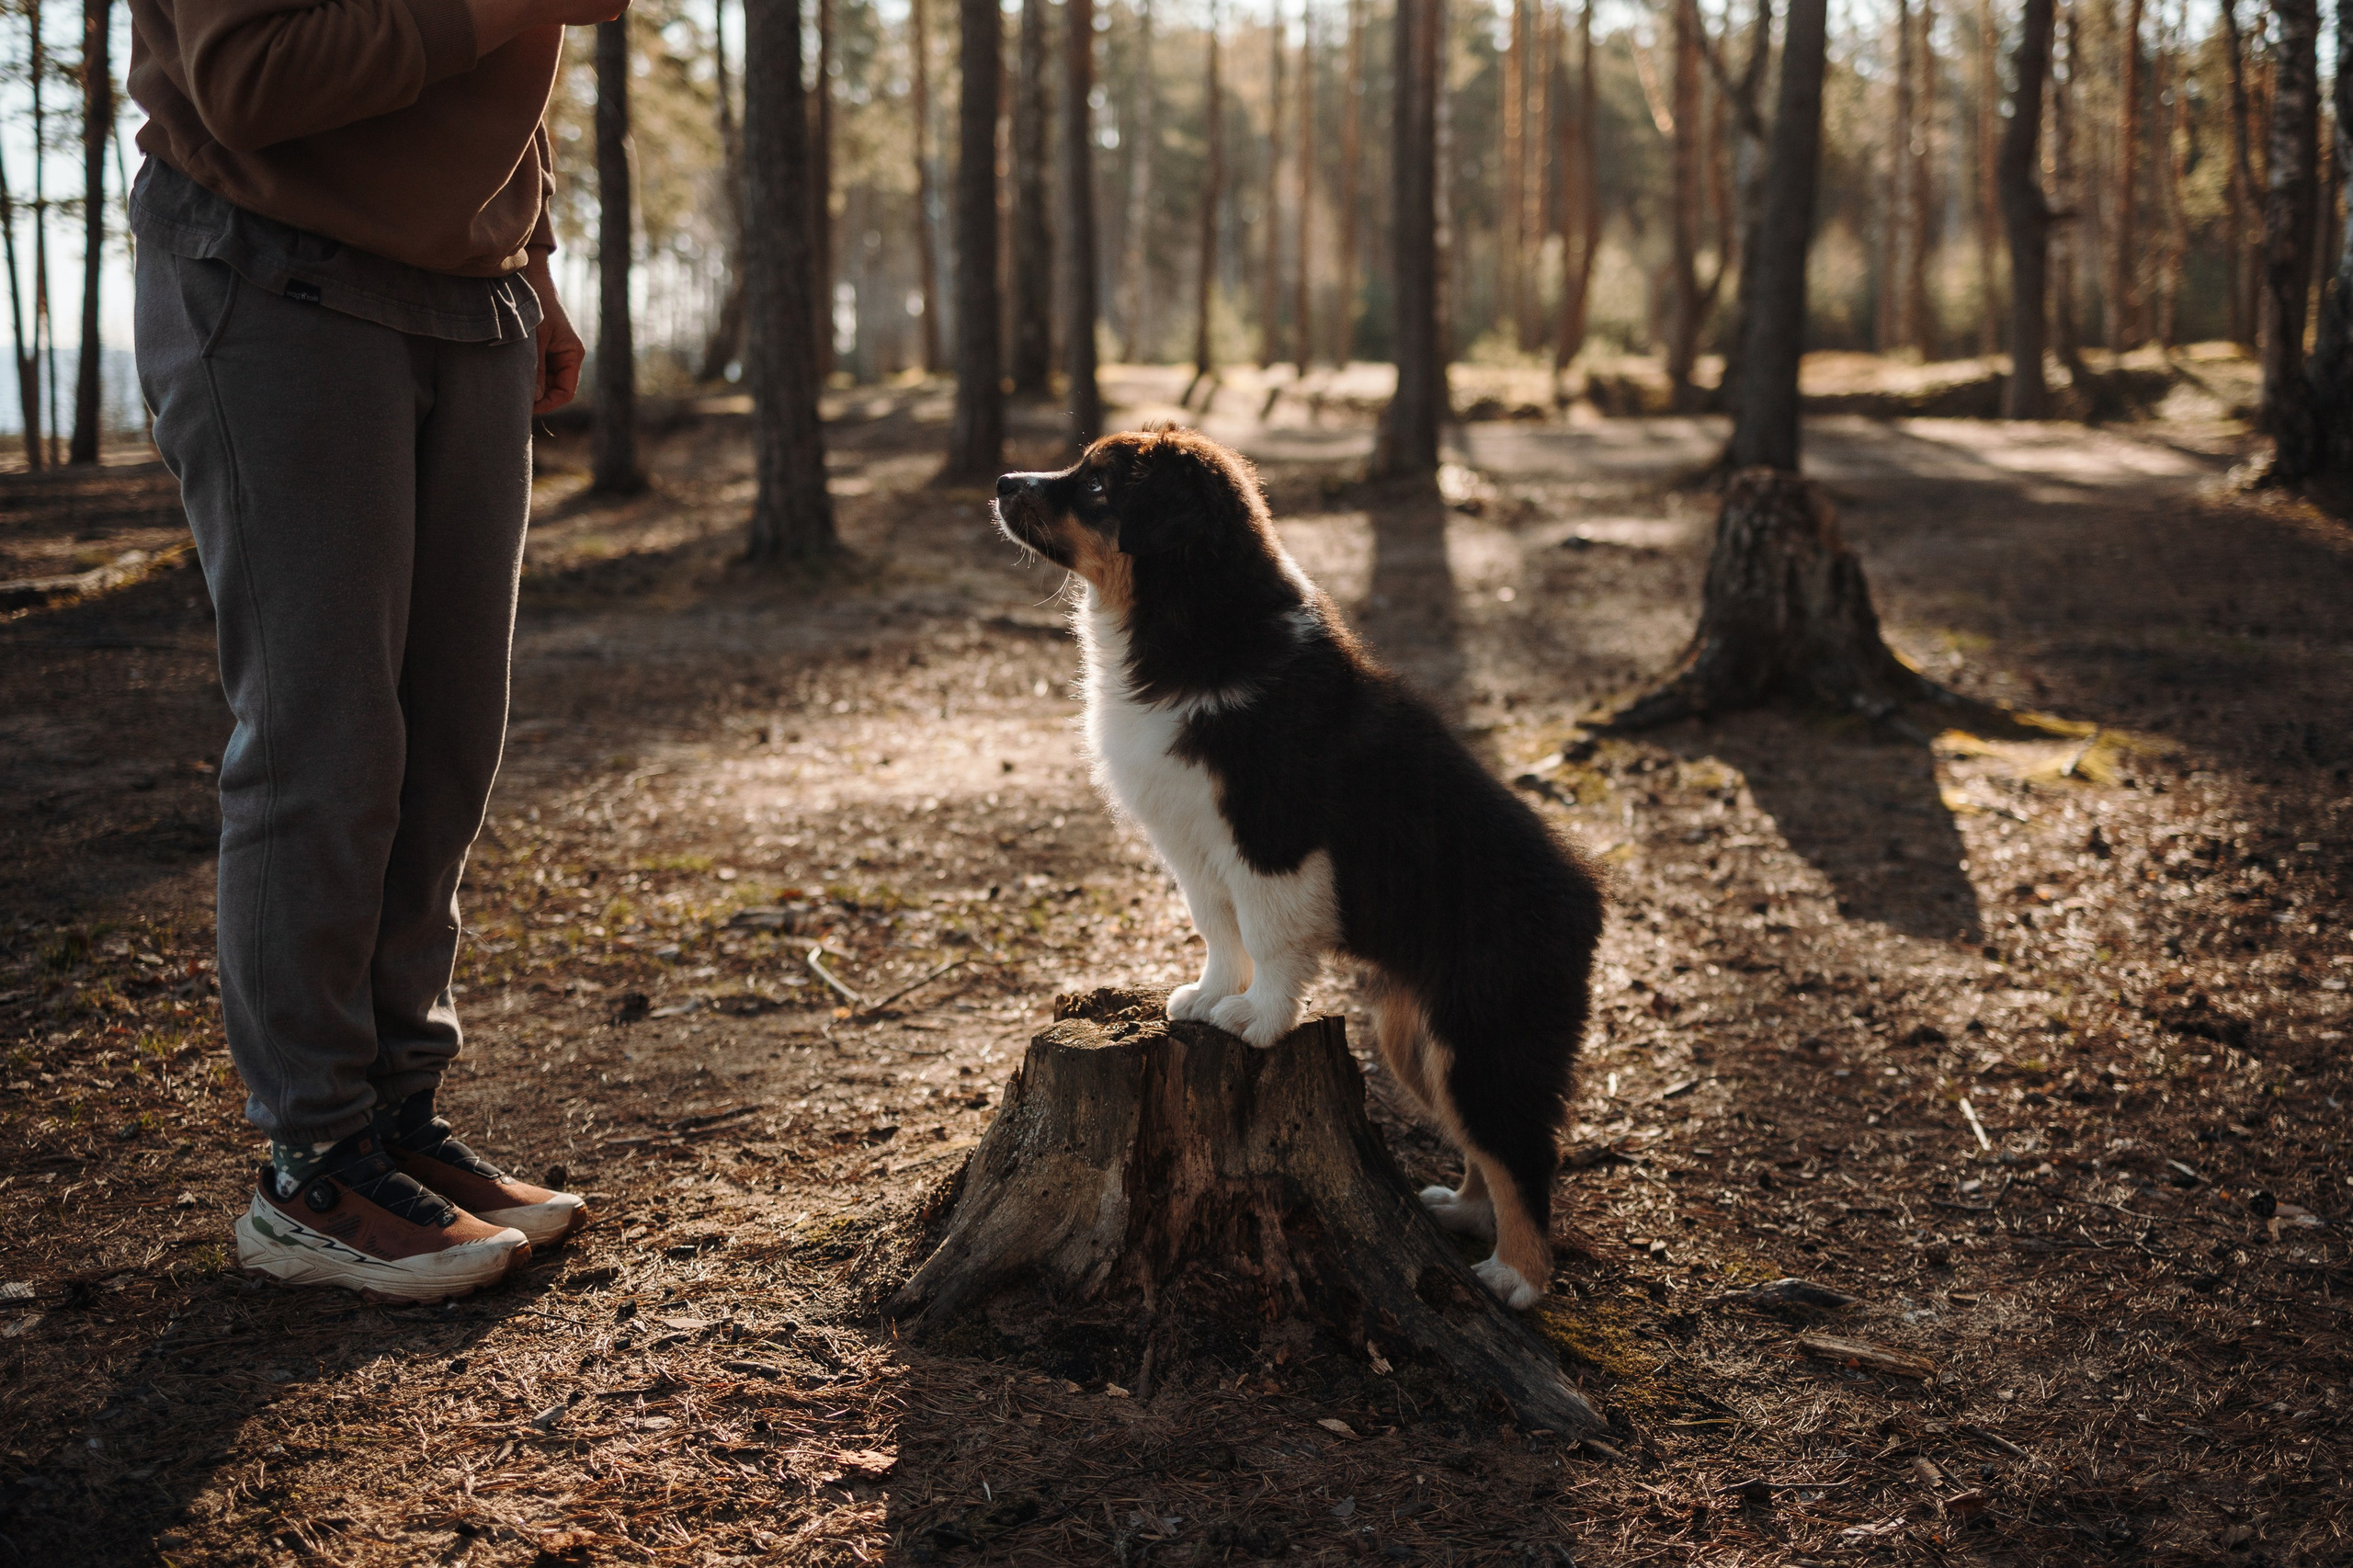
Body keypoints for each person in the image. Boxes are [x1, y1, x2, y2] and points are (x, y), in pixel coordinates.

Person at [129, 0, 623, 1301]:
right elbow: (247, 78)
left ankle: (397, 1116)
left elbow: (506, 78)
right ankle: (311, 1161)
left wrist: (532, 257)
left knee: (448, 739)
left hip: (470, 298)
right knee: (327, 737)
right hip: (278, 272)